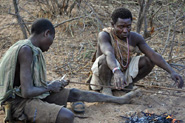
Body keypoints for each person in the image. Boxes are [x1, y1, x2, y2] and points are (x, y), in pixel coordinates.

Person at [0, 18, 140, 123]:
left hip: (25, 95)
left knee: (74, 93)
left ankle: (119, 100)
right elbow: (27, 92)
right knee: (67, 116)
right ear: (46, 33)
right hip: (17, 104)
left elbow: (26, 84)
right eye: (52, 40)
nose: (50, 46)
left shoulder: (25, 46)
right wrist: (49, 87)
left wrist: (53, 85)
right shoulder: (26, 50)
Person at [89, 7, 184, 96]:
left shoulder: (135, 37)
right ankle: (106, 88)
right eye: (121, 27)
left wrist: (172, 72)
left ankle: (127, 85)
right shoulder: (104, 35)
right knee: (106, 58)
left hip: (122, 71)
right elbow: (108, 53)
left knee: (150, 60)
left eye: (128, 26)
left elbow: (153, 54)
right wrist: (116, 70)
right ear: (113, 24)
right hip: (104, 73)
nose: (125, 30)